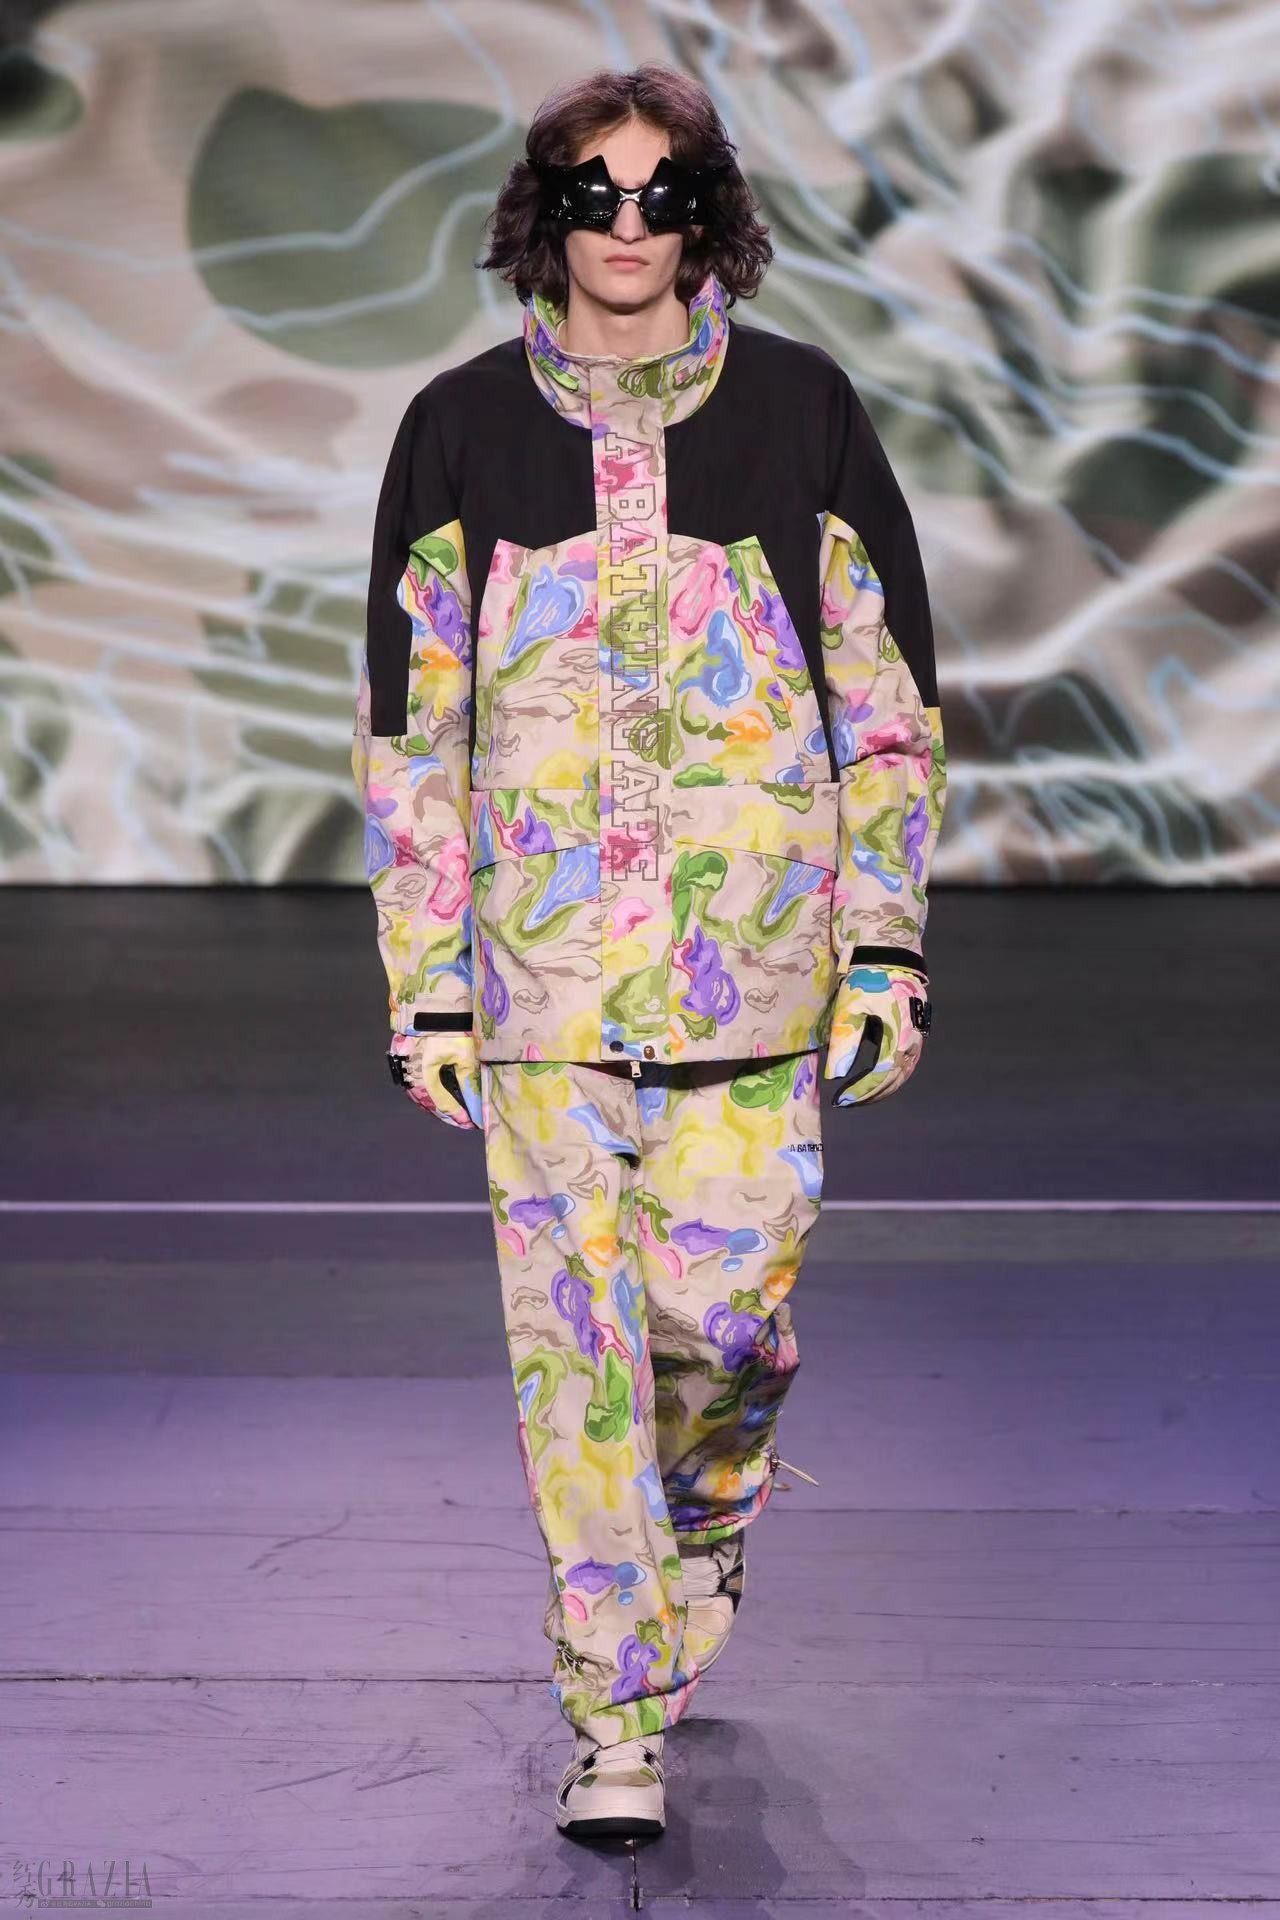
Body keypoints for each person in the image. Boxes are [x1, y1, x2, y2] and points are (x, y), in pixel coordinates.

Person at [352, 62, 947, 1841]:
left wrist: (884, 946)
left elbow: (886, 705)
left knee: (724, 1331)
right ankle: (613, 1713)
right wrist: (428, 983)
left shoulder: (804, 409)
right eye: (593, 194)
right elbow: (413, 732)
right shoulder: (458, 427)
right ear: (544, 215)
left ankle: (707, 1526)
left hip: (754, 984)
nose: (628, 225)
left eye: (663, 193)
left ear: (710, 217)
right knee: (575, 1362)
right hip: (538, 999)